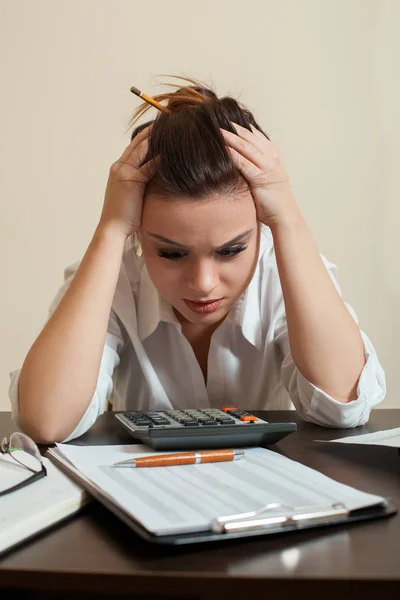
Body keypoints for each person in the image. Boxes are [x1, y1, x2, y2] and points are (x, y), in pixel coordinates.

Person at [9, 77, 386, 444]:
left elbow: (344, 405)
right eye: (172, 253)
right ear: (138, 232)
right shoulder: (115, 275)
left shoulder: (283, 268)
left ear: (260, 226)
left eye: (231, 250)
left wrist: (287, 217)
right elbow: (46, 421)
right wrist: (110, 228)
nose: (203, 282)